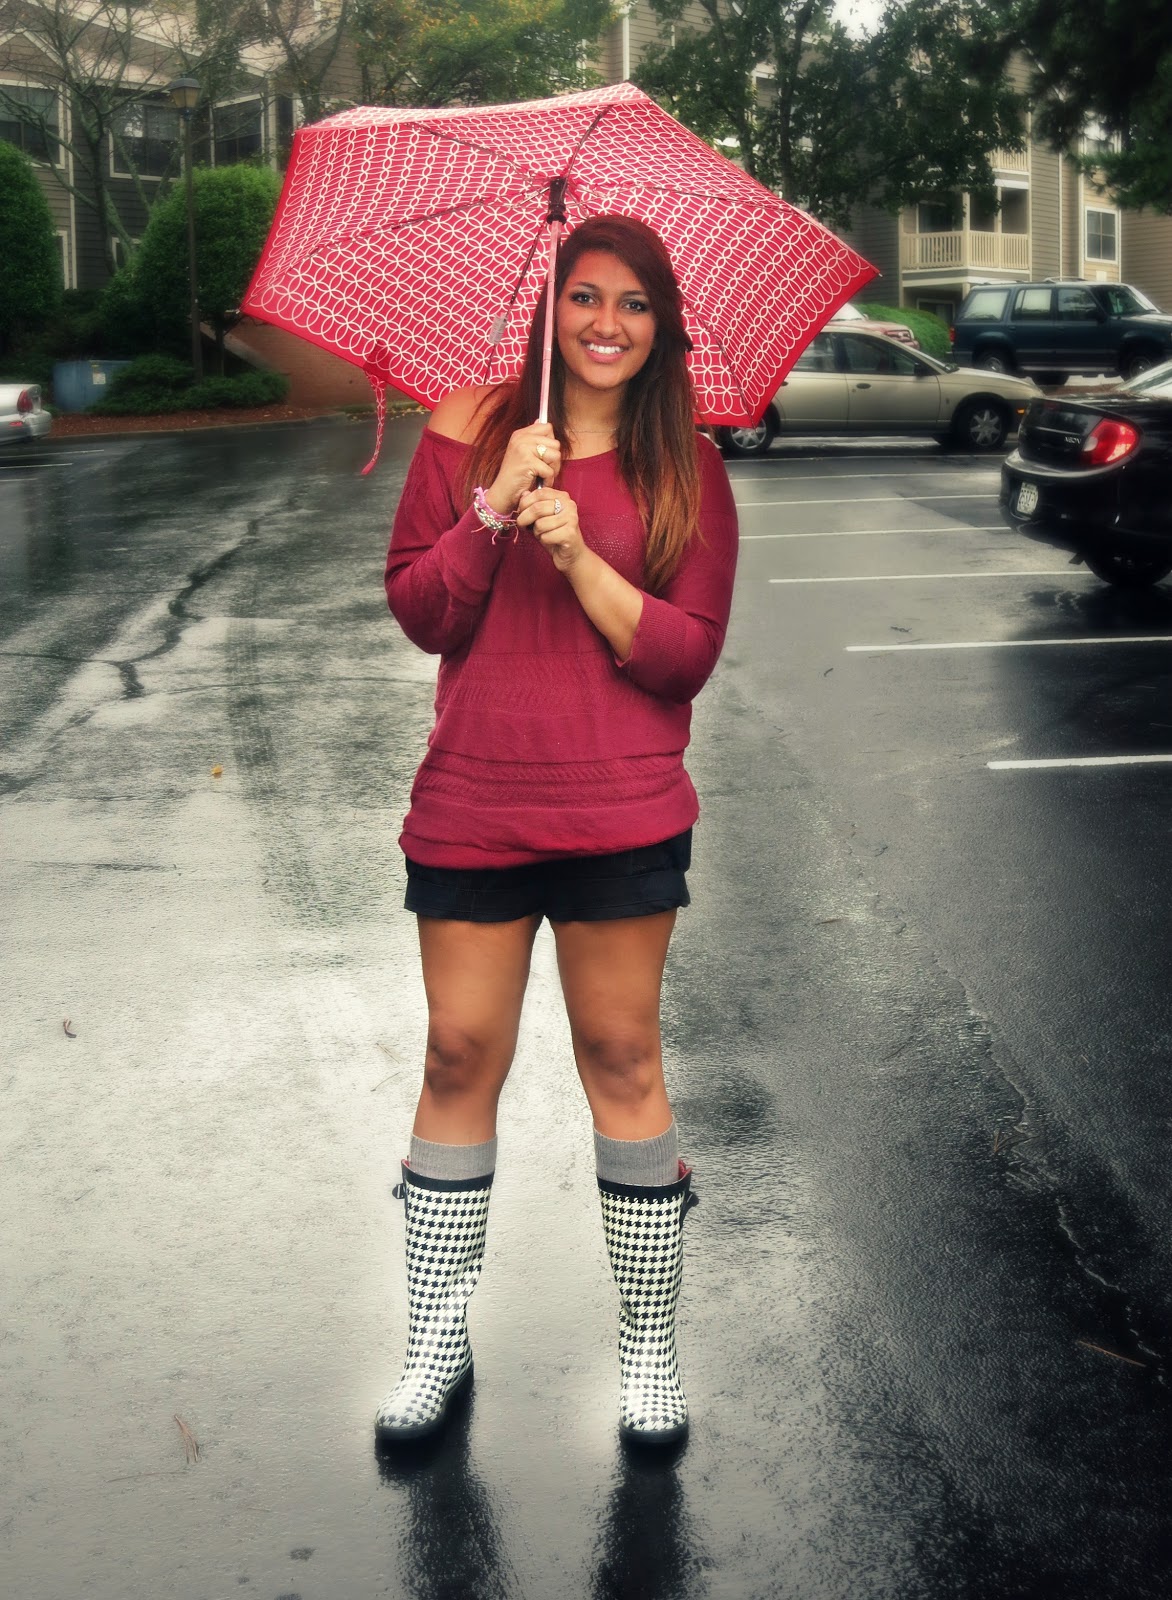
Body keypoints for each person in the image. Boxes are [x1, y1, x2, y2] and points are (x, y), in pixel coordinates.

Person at [374, 214, 739, 1448]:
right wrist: (489, 510)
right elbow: (420, 613)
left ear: (662, 325)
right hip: (474, 798)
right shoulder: (468, 424)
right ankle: (433, 1337)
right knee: (457, 1054)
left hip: (619, 806)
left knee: (621, 1060)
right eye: (583, 296)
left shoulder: (685, 460)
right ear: (550, 305)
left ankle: (648, 1351)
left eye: (633, 304)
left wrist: (581, 557)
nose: (604, 324)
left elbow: (684, 657)